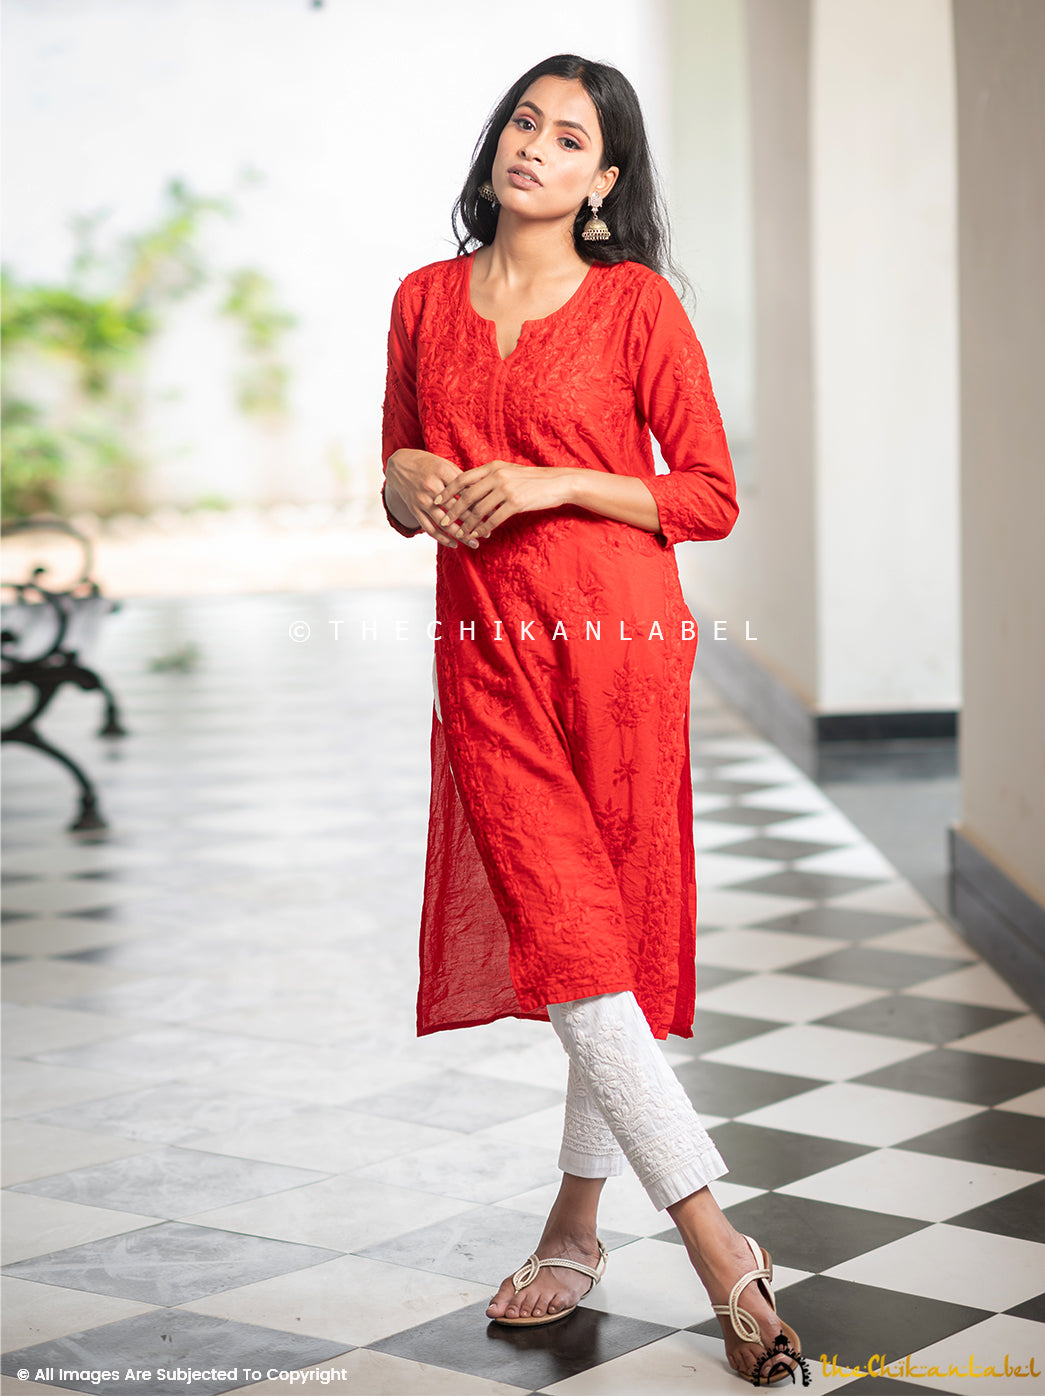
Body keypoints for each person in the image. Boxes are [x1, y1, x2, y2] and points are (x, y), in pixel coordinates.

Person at [380, 53, 806, 1387]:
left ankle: (573, 1225)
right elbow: (396, 482)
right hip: (487, 657)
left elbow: (707, 496)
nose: (537, 149)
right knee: (571, 938)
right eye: (525, 122)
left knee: (595, 946)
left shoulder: (634, 310)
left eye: (571, 139)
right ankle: (720, 1251)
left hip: (618, 652)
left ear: (604, 180)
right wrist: (409, 475)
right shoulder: (422, 298)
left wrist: (554, 479)